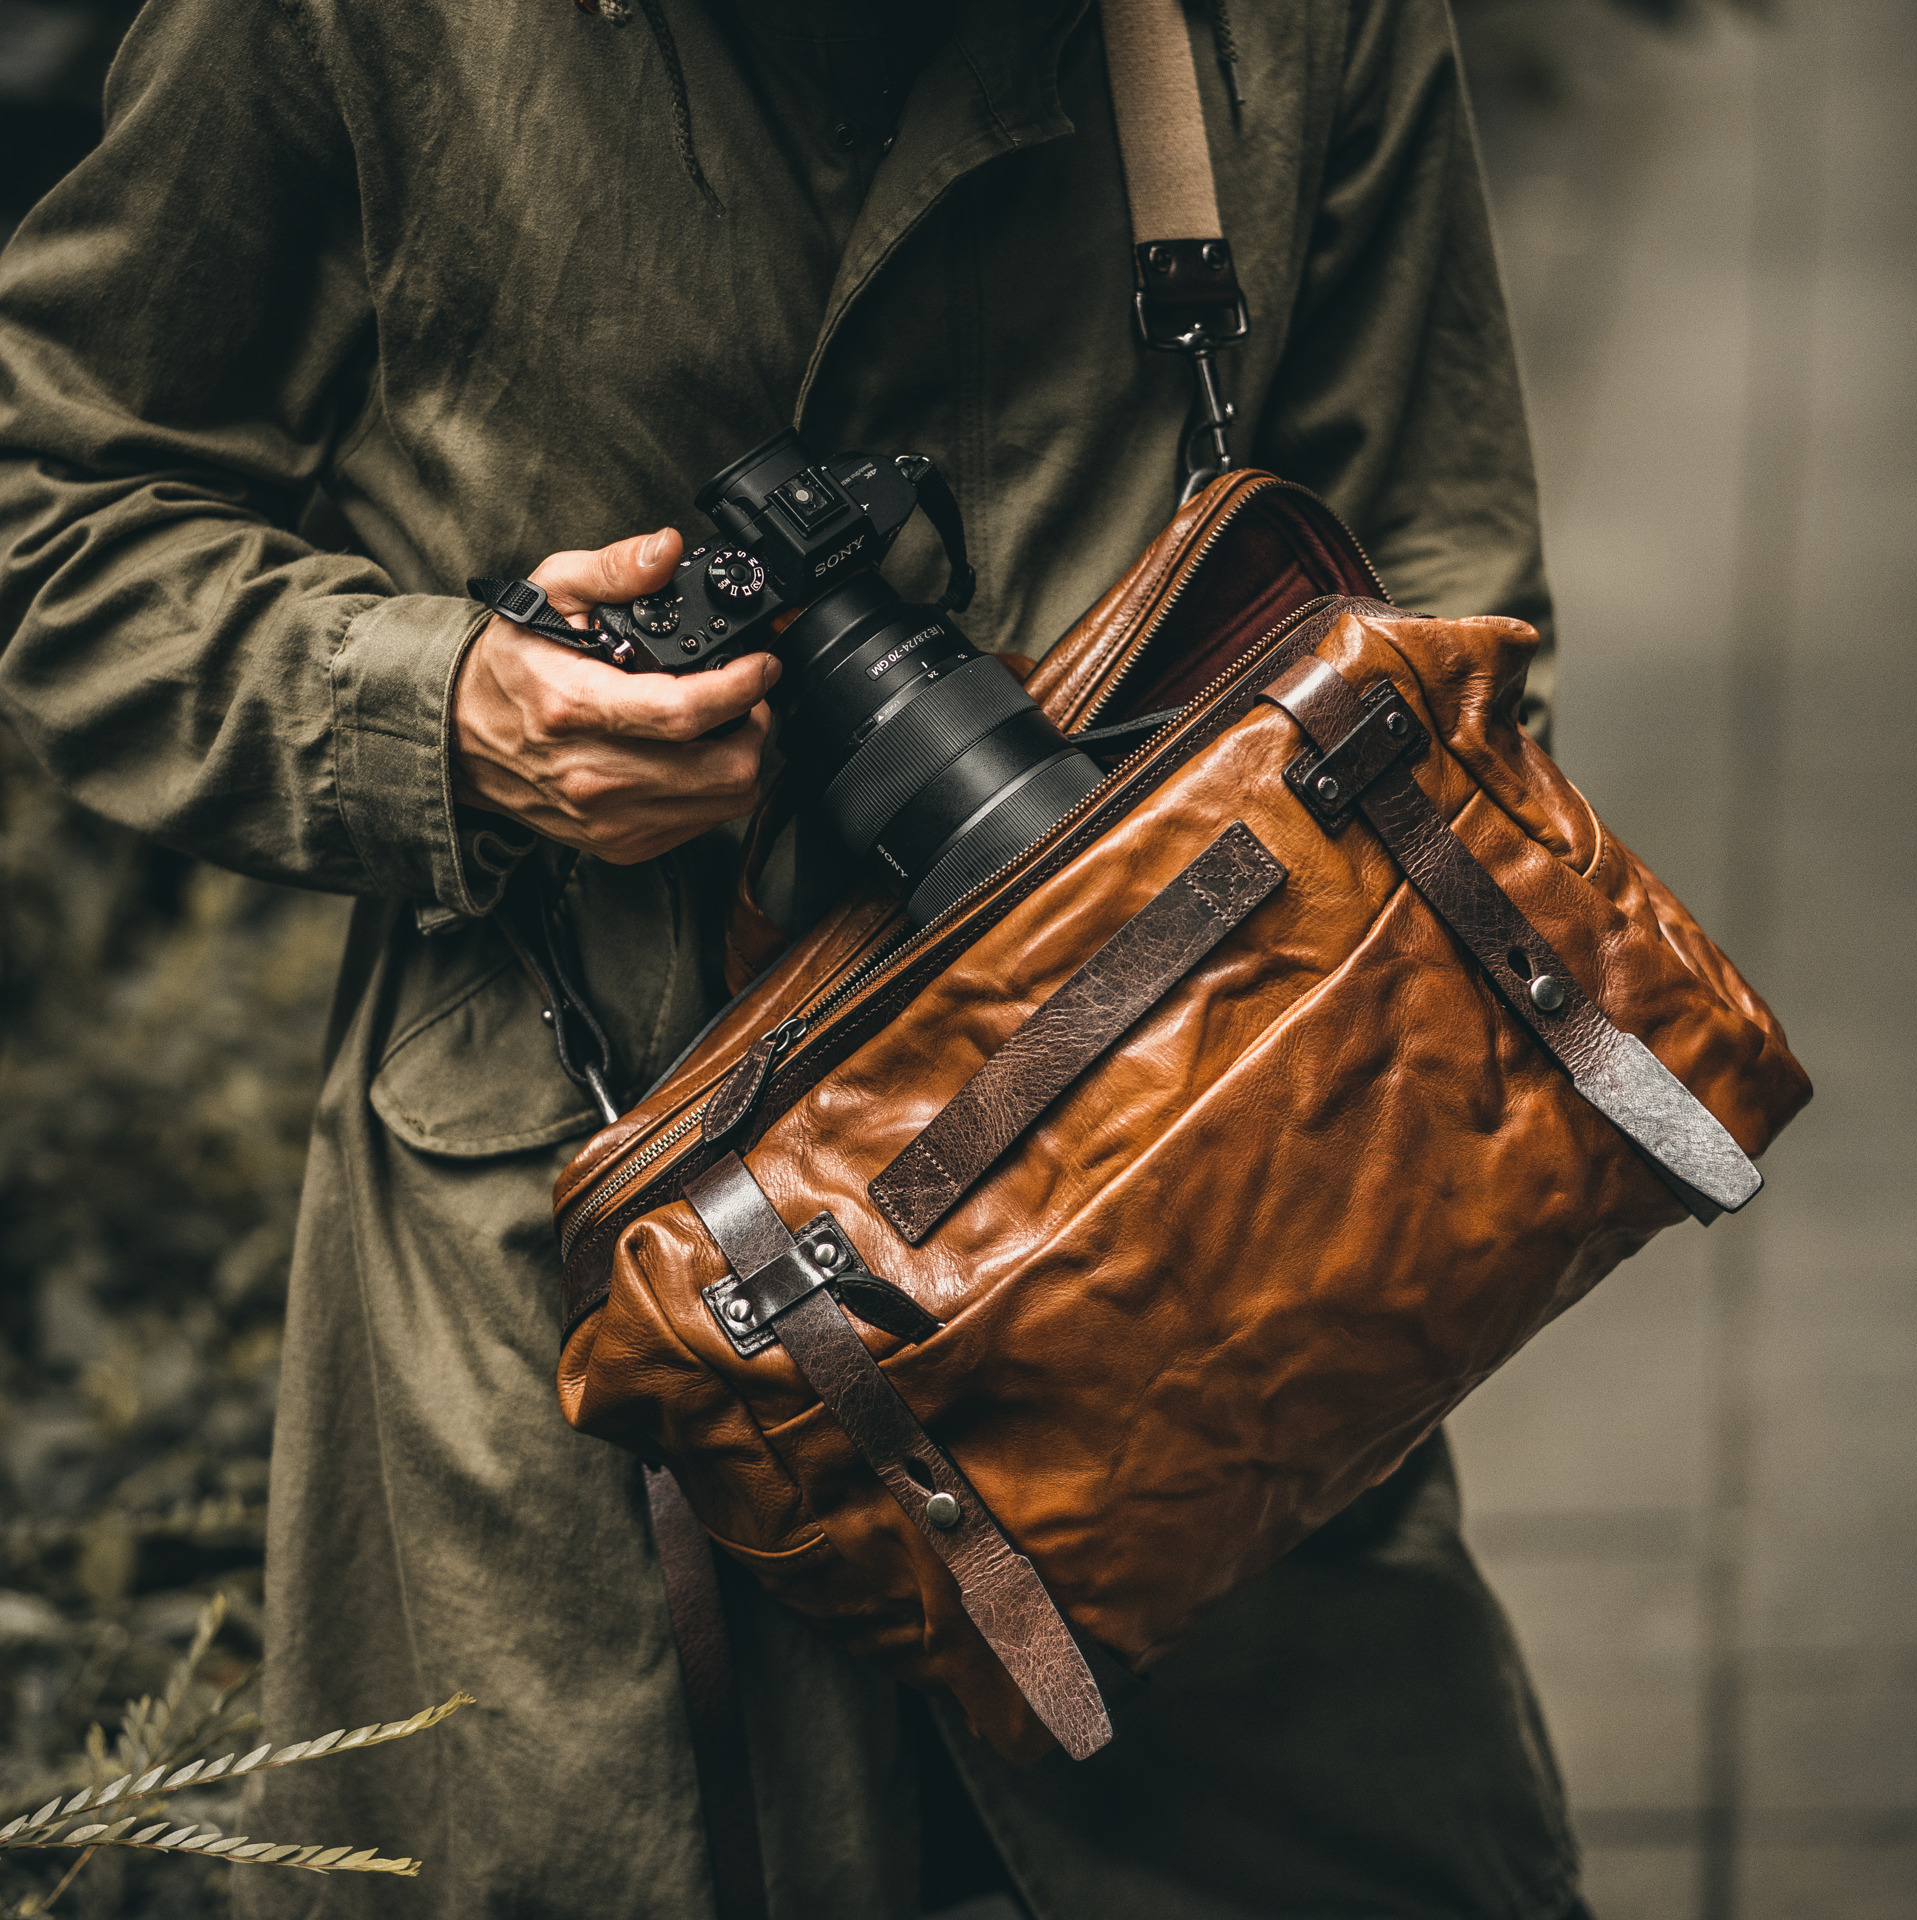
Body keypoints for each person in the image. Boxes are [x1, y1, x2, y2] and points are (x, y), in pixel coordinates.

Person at [0, 1, 1584, 1915]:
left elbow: (1439, 581)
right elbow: (60, 512)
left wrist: (1296, 986)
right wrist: (444, 714)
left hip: (1200, 1217)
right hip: (587, 1261)